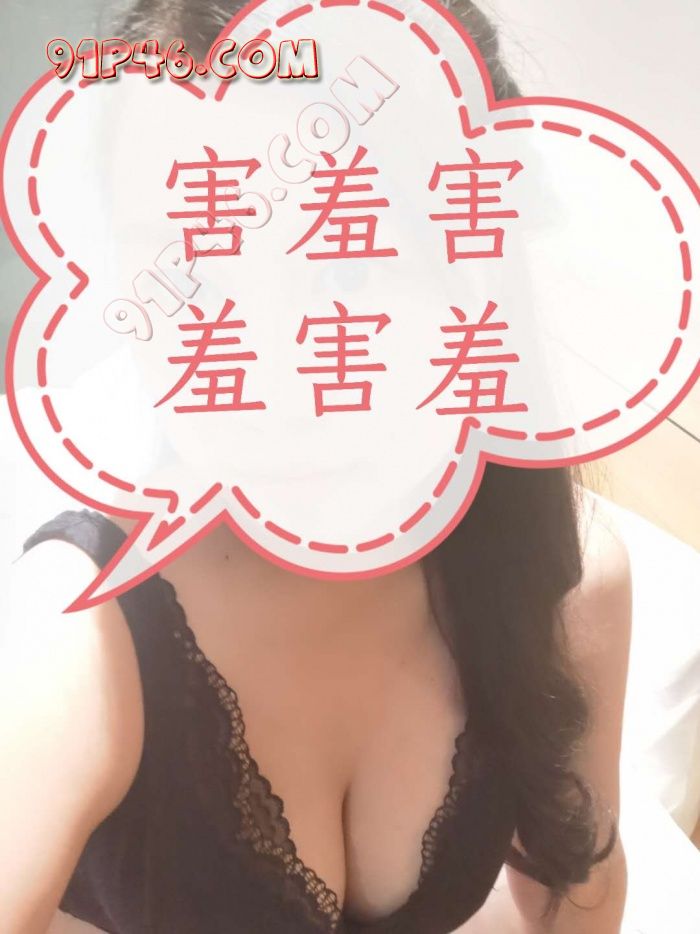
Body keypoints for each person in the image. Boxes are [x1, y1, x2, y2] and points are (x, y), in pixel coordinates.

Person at [0, 2, 632, 932]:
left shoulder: (561, 586)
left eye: (347, 268)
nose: (268, 386)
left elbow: (579, 891)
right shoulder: (80, 634)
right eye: (190, 277)